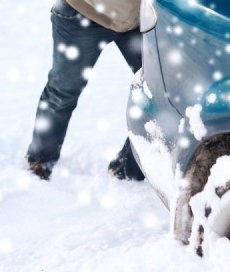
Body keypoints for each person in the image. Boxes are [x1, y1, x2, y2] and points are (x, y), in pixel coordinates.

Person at [26, 0, 144, 181]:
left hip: (141, 18)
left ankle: (129, 171)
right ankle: (40, 161)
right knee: (62, 93)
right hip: (81, 13)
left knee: (160, 93)